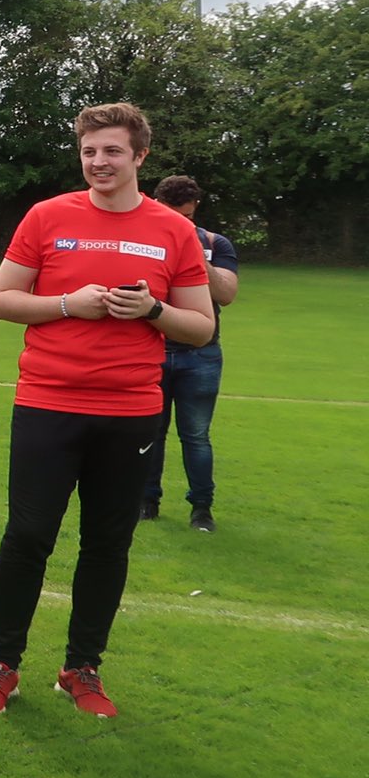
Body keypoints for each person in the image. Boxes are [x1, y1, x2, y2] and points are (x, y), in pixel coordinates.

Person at [0, 103, 212, 721]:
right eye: (89, 151)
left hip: (131, 411)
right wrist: (69, 305)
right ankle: (1, 665)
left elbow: (201, 326)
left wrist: (152, 311)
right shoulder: (48, 216)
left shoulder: (173, 230)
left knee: (108, 542)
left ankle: (82, 668)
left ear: (140, 157)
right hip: (47, 402)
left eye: (112, 152)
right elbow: (1, 301)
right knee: (27, 535)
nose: (99, 162)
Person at [139, 175, 239, 531]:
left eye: (183, 216)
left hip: (201, 354)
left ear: (194, 208)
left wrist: (196, 255)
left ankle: (201, 509)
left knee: (196, 435)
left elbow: (226, 294)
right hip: (154, 348)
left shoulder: (215, 242)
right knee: (152, 431)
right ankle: (147, 500)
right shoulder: (147, 240)